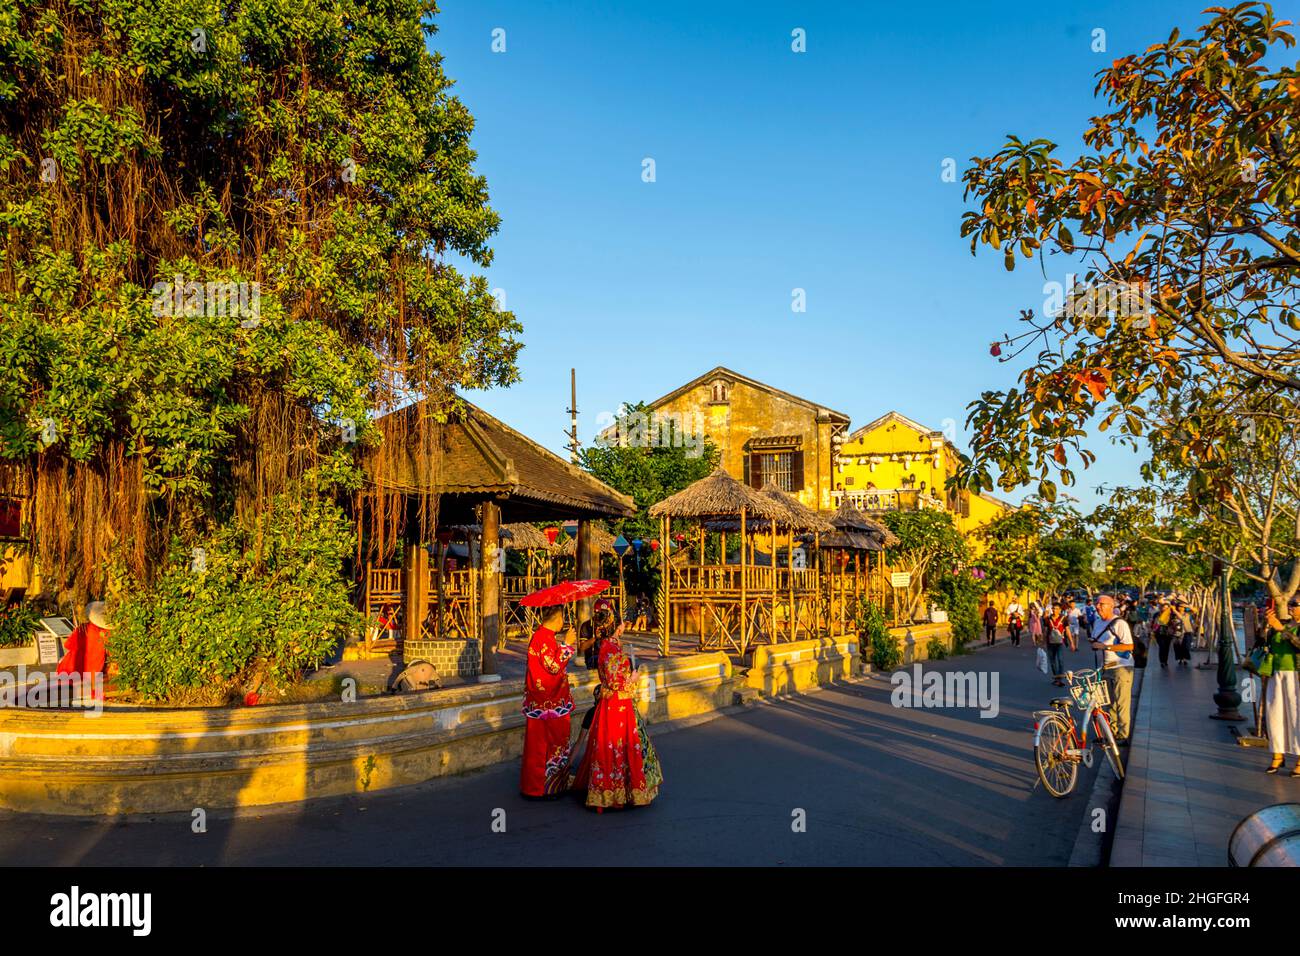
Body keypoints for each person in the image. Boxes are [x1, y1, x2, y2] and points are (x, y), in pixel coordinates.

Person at [571, 625, 663, 810]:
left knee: (613, 747)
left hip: (613, 704)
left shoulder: (608, 646)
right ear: (615, 625)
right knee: (617, 747)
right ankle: (615, 793)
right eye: (620, 623)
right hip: (618, 705)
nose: (624, 626)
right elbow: (615, 683)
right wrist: (632, 680)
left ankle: (614, 790)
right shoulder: (610, 649)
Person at [520, 605, 578, 798]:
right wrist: (567, 645)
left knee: (540, 745)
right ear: (558, 618)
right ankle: (544, 787)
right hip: (549, 702)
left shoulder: (543, 637)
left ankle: (542, 785)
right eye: (562, 617)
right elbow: (553, 667)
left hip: (545, 700)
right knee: (552, 744)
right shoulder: (543, 639)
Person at [1090, 593, 1135, 745]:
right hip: (1104, 667)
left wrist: (1106, 646)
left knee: (1121, 702)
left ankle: (1123, 735)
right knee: (1109, 703)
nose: (1098, 607)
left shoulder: (1119, 623)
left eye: (1101, 604)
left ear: (1111, 606)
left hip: (1121, 666)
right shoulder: (1097, 622)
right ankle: (1112, 734)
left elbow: (1129, 646)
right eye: (1097, 604)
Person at [1262, 603, 1300, 775]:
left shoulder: (1287, 627)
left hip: (1296, 675)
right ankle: (1277, 754)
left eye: (1296, 604)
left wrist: (1281, 630)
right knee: (1274, 714)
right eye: (1290, 604)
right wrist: (1267, 625)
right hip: (1276, 673)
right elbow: (1263, 642)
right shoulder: (1283, 623)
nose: (1291, 607)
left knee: (1296, 716)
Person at [55, 600, 112, 701]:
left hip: (74, 665)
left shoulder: (83, 628)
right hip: (95, 663)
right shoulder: (107, 632)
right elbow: (110, 650)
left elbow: (68, 644)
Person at [1044, 601, 1073, 686]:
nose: (1054, 610)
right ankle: (1056, 677)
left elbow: (1067, 631)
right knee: (1052, 661)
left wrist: (1071, 642)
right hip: (1050, 643)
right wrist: (1042, 641)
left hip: (1060, 642)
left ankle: (1059, 678)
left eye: (1056, 609)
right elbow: (1045, 631)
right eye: (1053, 608)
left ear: (1060, 610)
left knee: (1060, 660)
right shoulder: (1047, 619)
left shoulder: (1064, 619)